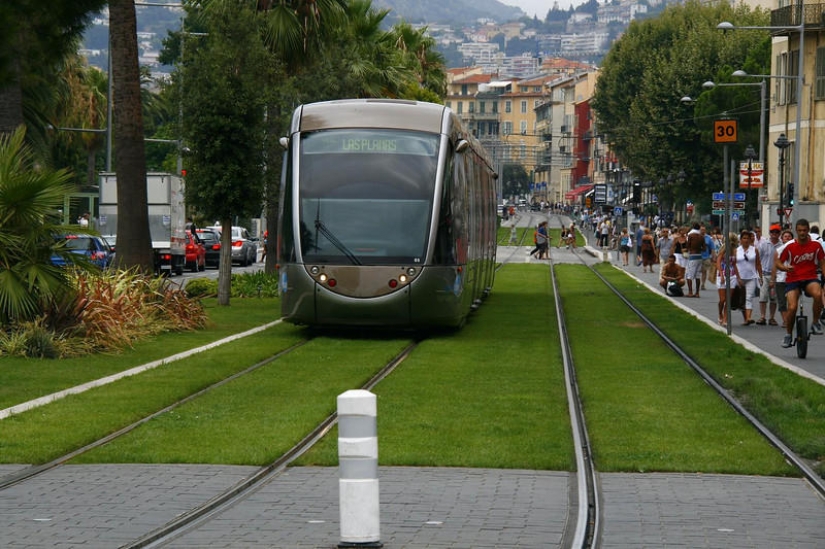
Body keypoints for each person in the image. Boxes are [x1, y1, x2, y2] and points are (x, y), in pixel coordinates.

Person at [776, 218, 825, 347]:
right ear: (796, 231)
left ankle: (815, 323)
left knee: (818, 294)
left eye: (804, 230)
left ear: (808, 230)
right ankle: (788, 335)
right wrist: (785, 268)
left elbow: (822, 263)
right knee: (792, 307)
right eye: (799, 231)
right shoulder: (790, 246)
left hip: (810, 277)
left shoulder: (816, 245)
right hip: (793, 279)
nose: (802, 233)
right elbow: (778, 262)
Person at [735, 229, 763, 326]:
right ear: (741, 240)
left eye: (747, 238)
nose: (746, 240)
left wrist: (760, 276)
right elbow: (733, 264)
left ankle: (748, 318)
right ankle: (742, 316)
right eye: (744, 238)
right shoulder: (736, 250)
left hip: (751, 277)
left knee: (749, 298)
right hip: (739, 277)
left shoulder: (754, 250)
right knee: (738, 299)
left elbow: (758, 264)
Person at [755, 224, 780, 325]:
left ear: (779, 233)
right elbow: (758, 259)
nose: (774, 234)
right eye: (773, 232)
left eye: (777, 232)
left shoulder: (781, 245)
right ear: (770, 233)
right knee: (763, 296)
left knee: (773, 298)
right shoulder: (764, 244)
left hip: (776, 275)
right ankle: (762, 316)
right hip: (764, 274)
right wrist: (759, 274)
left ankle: (772, 317)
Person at [771, 228, 795, 331]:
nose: (788, 238)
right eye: (785, 236)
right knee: (781, 302)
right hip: (781, 279)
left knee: (791, 302)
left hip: (792, 279)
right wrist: (772, 279)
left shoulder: (796, 248)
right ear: (782, 239)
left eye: (789, 236)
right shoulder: (779, 250)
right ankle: (785, 320)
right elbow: (775, 266)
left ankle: (789, 319)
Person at [716, 233, 740, 327]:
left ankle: (725, 318)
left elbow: (734, 264)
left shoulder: (735, 251)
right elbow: (718, 262)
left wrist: (738, 277)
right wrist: (721, 275)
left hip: (732, 275)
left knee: (728, 299)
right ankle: (720, 314)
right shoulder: (723, 249)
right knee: (722, 299)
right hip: (722, 274)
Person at [684, 222, 706, 297]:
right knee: (697, 275)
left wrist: (690, 249)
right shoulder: (701, 236)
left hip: (692, 256)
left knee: (689, 275)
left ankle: (690, 292)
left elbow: (687, 246)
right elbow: (704, 248)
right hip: (699, 256)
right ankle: (697, 293)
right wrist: (698, 248)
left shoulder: (690, 235)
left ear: (693, 227)